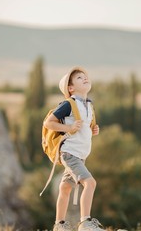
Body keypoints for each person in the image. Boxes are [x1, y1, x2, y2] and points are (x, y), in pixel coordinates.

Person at [44, 67, 104, 231]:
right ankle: (85, 222)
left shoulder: (89, 105)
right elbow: (48, 123)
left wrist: (93, 130)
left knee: (65, 188)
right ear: (70, 88)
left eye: (85, 76)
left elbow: (85, 127)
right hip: (70, 153)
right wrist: (69, 127)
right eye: (79, 78)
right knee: (90, 183)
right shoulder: (68, 104)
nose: (85, 78)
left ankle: (59, 225)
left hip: (80, 155)